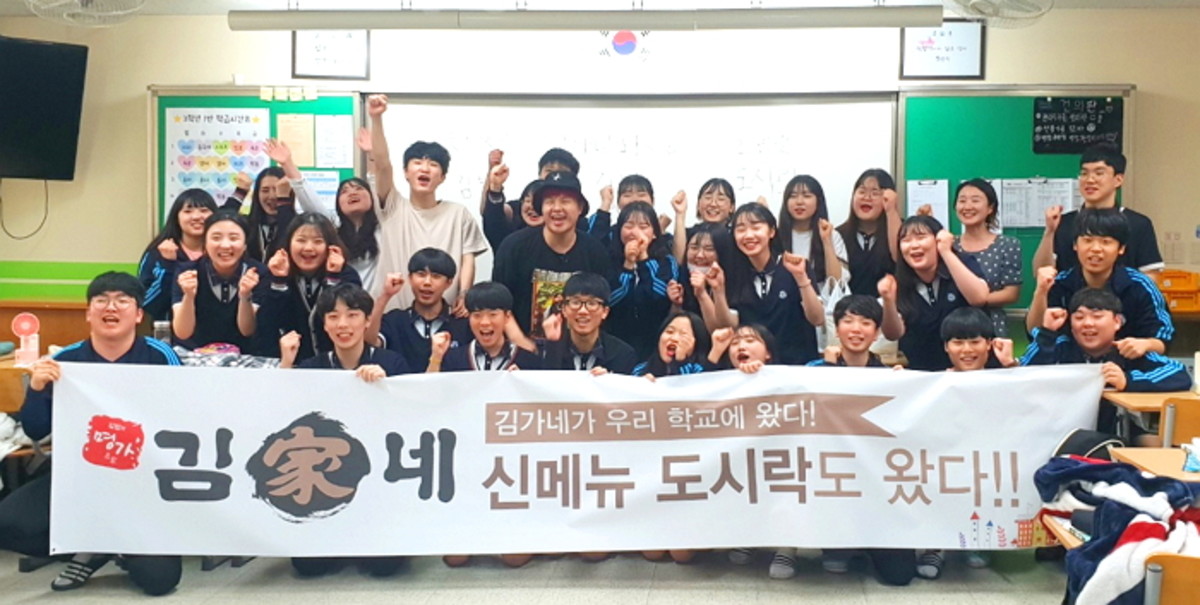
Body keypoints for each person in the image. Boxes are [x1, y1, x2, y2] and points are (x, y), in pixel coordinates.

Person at [0, 272, 183, 595]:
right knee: (8, 525)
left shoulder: (160, 355)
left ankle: (111, 546)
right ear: (88, 313)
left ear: (138, 314)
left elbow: (182, 416)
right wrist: (38, 389)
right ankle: (88, 545)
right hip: (77, 476)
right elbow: (36, 430)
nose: (111, 307)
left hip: (142, 480)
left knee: (160, 580)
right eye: (101, 300)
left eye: (122, 301)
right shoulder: (65, 360)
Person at [914, 306, 1018, 580]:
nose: (967, 350)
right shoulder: (934, 384)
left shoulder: (1004, 379)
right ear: (946, 347)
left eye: (975, 341)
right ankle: (934, 545)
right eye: (958, 342)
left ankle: (978, 540)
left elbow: (1027, 403)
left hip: (987, 461)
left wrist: (1010, 365)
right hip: (944, 460)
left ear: (989, 344)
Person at [367, 94, 489, 313]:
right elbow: (383, 165)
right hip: (394, 316)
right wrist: (376, 118)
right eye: (417, 163)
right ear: (405, 172)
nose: (424, 169)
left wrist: (464, 294)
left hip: (445, 316)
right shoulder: (393, 207)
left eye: (433, 165)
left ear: (442, 177)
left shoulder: (458, 214)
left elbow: (468, 259)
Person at [1022, 288, 1190, 437]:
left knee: (1150, 440)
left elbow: (1179, 373)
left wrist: (1128, 380)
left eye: (1097, 317)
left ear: (1117, 322)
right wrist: (1047, 333)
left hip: (1117, 435)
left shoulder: (1127, 350)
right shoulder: (1060, 346)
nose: (1088, 323)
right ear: (1071, 324)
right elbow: (1023, 372)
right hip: (1060, 433)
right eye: (1079, 317)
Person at [1026, 208, 1173, 357]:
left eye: (1106, 242)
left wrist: (1146, 344)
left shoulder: (1140, 286)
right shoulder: (1060, 284)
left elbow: (1164, 340)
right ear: (1075, 245)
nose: (1096, 249)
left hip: (1128, 366)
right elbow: (1035, 333)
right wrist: (1040, 291)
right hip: (1071, 366)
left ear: (1121, 248)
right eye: (1087, 240)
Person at [492, 171, 612, 337]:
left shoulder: (595, 252)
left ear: (580, 208)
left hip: (578, 348)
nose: (557, 208)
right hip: (521, 346)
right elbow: (499, 305)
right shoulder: (514, 247)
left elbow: (602, 309)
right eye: (549, 201)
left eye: (565, 201)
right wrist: (524, 346)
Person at [267, 138, 382, 294]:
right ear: (338, 204)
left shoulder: (383, 228)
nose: (352, 193)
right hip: (342, 302)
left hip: (378, 304)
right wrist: (287, 163)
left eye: (359, 189)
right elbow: (306, 195)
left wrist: (372, 154)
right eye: (344, 191)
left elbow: (377, 184)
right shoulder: (333, 229)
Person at [878, 215, 989, 371]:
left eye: (921, 237)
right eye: (906, 240)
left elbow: (979, 298)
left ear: (938, 240)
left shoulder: (962, 262)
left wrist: (946, 251)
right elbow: (893, 334)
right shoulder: (899, 281)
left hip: (970, 367)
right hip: (924, 372)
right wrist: (888, 301)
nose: (914, 245)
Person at [1034, 143, 1163, 274]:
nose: (1090, 180)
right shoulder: (1064, 222)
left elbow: (1150, 275)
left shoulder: (1138, 224)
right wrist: (1049, 232)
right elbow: (1041, 272)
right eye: (1084, 173)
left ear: (1118, 180)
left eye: (1099, 173)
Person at [724, 204, 824, 365]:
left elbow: (817, 319)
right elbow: (728, 325)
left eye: (756, 227)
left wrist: (801, 278)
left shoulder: (796, 265)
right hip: (751, 367)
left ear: (771, 231)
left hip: (797, 365)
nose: (748, 235)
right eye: (741, 229)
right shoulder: (733, 274)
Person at [256, 213, 361, 361]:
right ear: (288, 244)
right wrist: (279, 281)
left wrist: (333, 278)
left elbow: (345, 320)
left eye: (318, 241)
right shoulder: (272, 275)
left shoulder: (347, 275)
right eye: (301, 240)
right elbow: (266, 325)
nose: (308, 248)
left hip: (334, 363)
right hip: (286, 363)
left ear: (330, 247)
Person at [171, 212, 267, 354]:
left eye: (234, 238)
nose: (225, 245)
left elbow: (247, 330)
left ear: (245, 244)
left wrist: (245, 295)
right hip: (194, 355)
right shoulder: (187, 272)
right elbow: (182, 333)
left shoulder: (257, 273)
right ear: (205, 243)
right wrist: (189, 296)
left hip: (244, 357)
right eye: (216, 238)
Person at [367, 248, 472, 372]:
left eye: (436, 276)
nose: (427, 282)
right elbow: (370, 341)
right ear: (410, 278)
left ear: (449, 283)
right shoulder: (395, 320)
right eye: (421, 274)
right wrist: (385, 295)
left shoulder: (462, 323)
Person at [606, 201, 680, 358]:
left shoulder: (666, 260)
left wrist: (643, 259)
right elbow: (609, 299)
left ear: (654, 233)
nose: (635, 232)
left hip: (654, 341)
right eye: (629, 226)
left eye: (643, 226)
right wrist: (628, 265)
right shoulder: (608, 258)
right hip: (615, 340)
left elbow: (660, 294)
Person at [952, 179, 1022, 337]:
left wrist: (977, 299)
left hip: (991, 324)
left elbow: (1011, 293)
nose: (967, 206)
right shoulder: (949, 246)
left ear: (990, 208)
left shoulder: (1008, 244)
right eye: (962, 201)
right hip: (953, 324)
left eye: (975, 200)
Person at [138, 188, 218, 321]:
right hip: (169, 329)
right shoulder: (158, 253)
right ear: (176, 217)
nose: (196, 216)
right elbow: (146, 303)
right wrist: (168, 266)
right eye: (188, 211)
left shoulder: (223, 253)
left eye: (204, 211)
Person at [538, 272, 638, 375]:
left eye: (592, 303)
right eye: (575, 302)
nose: (583, 311)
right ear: (564, 309)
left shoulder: (622, 355)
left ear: (605, 312)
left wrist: (608, 380)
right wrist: (553, 346)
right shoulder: (544, 350)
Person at [479, 147, 578, 250]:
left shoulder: (578, 221)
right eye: (549, 171)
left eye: (562, 173)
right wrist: (494, 182)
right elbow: (491, 213)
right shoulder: (519, 210)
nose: (554, 177)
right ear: (539, 174)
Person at [430, 281, 540, 373]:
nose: (485, 322)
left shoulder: (528, 361)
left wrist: (521, 382)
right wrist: (436, 358)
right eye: (477, 315)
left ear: (507, 317)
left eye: (493, 315)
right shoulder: (454, 359)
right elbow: (432, 389)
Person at [836, 169, 901, 297]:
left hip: (888, 306)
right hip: (849, 307)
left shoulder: (899, 229)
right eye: (861, 191)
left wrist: (891, 211)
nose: (866, 198)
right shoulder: (839, 235)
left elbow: (900, 258)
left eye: (875, 193)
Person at [778, 174, 849, 288]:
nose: (799, 202)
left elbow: (837, 284)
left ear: (818, 201)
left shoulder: (831, 235)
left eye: (807, 196)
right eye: (793, 196)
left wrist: (827, 241)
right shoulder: (777, 236)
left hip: (821, 298)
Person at [676, 223, 737, 331]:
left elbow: (722, 330)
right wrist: (675, 304)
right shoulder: (679, 278)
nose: (700, 255)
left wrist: (704, 294)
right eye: (694, 247)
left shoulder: (737, 281)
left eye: (709, 249)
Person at [671, 177, 736, 263]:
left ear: (732, 207)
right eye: (708, 197)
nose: (713, 204)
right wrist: (680, 214)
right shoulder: (689, 234)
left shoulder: (736, 236)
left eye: (721, 199)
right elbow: (677, 262)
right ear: (698, 204)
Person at [631, 311, 711, 378]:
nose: (674, 338)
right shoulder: (641, 370)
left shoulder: (700, 372)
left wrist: (680, 362)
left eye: (683, 334)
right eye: (669, 332)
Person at [244, 165, 296, 262]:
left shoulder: (297, 225)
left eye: (278, 189)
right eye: (265, 190)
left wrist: (283, 201)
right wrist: (240, 192)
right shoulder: (246, 224)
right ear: (257, 194)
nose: (272, 196)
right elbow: (220, 221)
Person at [587, 174, 656, 243]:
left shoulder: (660, 231)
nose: (634, 199)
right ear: (618, 202)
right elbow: (592, 244)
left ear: (652, 201)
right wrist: (606, 203)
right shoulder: (611, 234)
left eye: (641, 195)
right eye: (627, 195)